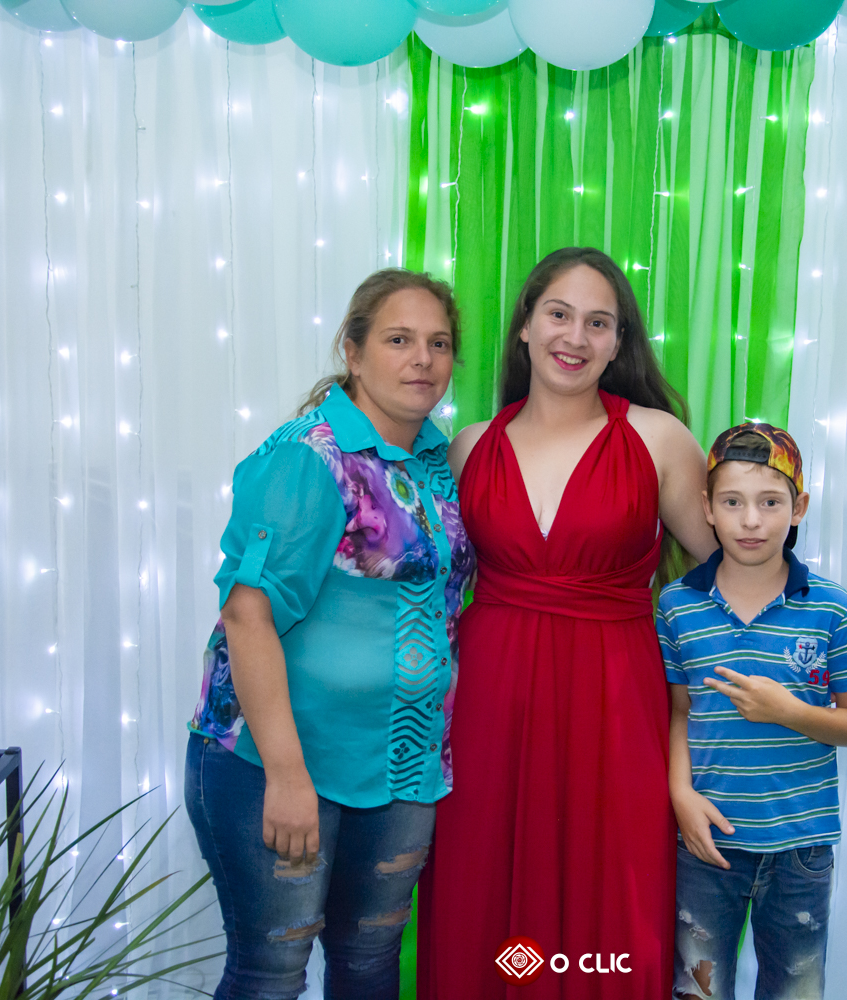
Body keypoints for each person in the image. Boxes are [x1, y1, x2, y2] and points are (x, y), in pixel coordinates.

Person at [418, 247, 719, 999]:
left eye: (598, 323)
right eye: (559, 314)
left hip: (616, 705)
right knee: (482, 891)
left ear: (619, 344)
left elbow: (730, 576)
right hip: (489, 705)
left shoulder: (657, 439)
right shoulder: (468, 447)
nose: (575, 337)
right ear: (525, 325)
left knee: (613, 899)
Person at [183, 269, 475, 1000]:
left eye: (439, 344)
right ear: (353, 351)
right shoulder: (309, 456)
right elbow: (247, 616)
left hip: (401, 766)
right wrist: (287, 778)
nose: (423, 359)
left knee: (371, 963)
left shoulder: (437, 462)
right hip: (279, 764)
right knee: (272, 972)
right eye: (399, 340)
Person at [658, 422, 847, 1000]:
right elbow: (679, 712)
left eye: (770, 502)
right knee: (698, 989)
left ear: (798, 507)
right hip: (707, 841)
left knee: (795, 990)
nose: (751, 520)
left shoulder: (831, 608)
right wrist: (680, 794)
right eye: (733, 502)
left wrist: (787, 710)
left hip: (801, 848)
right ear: (707, 508)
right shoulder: (678, 606)